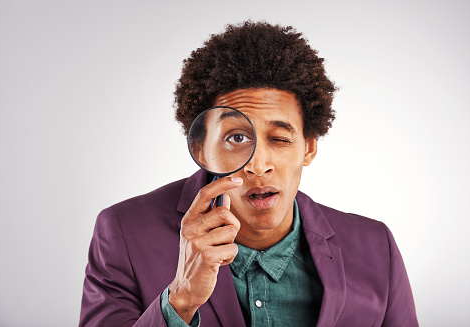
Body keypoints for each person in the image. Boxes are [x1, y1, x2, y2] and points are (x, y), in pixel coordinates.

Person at [79, 21, 418, 327]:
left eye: (280, 138)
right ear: (201, 150)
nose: (259, 164)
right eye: (236, 138)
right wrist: (180, 300)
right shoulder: (123, 232)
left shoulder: (376, 247)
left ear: (309, 148)